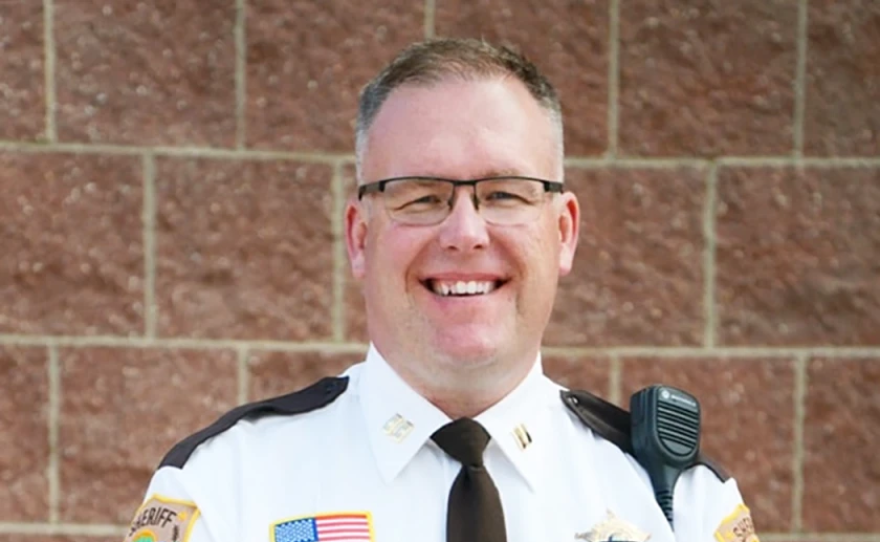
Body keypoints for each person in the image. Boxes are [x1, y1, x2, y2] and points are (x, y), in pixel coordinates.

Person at [123, 38, 758, 542]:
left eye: (505, 193)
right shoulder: (228, 487)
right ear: (359, 236)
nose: (464, 233)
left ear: (562, 232)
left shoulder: (678, 503)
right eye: (421, 197)